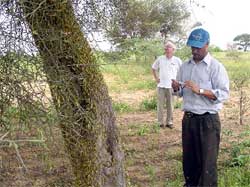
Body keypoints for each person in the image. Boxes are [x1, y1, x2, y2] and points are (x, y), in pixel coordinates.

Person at [172, 28, 230, 187]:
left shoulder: (215, 67)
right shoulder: (185, 66)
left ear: (207, 45)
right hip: (189, 120)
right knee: (190, 160)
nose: (195, 50)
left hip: (208, 122)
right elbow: (181, 93)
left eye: (198, 47)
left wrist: (201, 91)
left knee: (207, 163)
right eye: (192, 47)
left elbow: (224, 93)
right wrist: (176, 88)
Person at [152, 41, 182, 128]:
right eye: (166, 47)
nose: (167, 48)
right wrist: (156, 78)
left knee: (170, 105)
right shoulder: (160, 58)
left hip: (171, 87)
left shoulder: (177, 60)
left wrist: (178, 82)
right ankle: (160, 122)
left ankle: (169, 122)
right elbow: (153, 68)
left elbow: (182, 72)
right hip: (161, 86)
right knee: (160, 105)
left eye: (169, 47)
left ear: (173, 49)